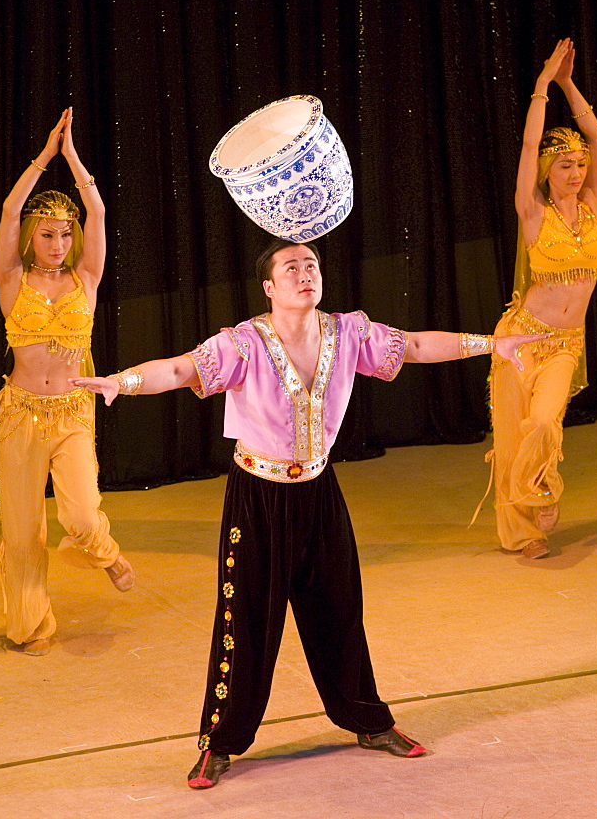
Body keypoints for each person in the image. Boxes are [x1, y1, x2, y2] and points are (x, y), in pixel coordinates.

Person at [72, 239, 542, 787]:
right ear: (269, 287)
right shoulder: (243, 344)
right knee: (244, 622)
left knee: (341, 610)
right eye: (291, 267)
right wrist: (122, 383)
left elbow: (412, 345)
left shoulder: (348, 334)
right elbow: (178, 371)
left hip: (320, 489)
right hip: (258, 496)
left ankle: (367, 720)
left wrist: (492, 343)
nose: (305, 273)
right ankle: (218, 743)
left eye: (312, 265)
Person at [0, 108, 134, 656]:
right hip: (20, 415)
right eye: (47, 233)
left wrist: (71, 157)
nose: (57, 241)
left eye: (64, 233)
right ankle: (31, 626)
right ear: (32, 238)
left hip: (72, 412)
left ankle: (106, 553)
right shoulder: (12, 278)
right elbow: (8, 210)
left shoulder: (86, 277)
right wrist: (42, 158)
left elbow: (97, 209)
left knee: (77, 513)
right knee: (23, 532)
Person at [483, 39, 597, 559]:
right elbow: (528, 147)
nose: (576, 173)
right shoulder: (532, 212)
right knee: (513, 435)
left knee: (543, 422)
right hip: (521, 338)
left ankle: (541, 488)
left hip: (565, 344)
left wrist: (566, 83)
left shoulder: (595, 203)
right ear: (546, 173)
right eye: (565, 166)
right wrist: (540, 85)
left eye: (579, 165)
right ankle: (525, 532)